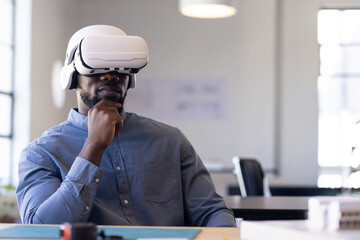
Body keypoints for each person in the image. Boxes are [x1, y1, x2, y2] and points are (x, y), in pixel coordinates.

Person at [16, 25, 236, 227]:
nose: (111, 75)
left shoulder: (171, 141)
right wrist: (92, 148)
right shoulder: (41, 153)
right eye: (97, 64)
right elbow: (41, 230)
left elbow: (211, 212)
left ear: (130, 78)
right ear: (72, 77)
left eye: (120, 67)